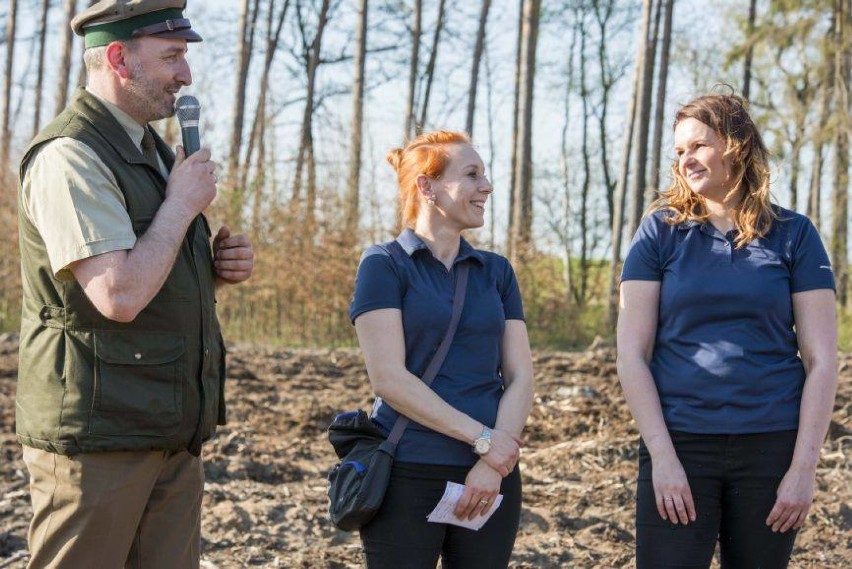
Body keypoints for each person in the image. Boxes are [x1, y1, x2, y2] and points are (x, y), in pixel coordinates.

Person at [15, 1, 254, 567]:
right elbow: (117, 295)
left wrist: (212, 273)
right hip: (99, 443)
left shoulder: (149, 152)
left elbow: (148, 279)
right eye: (172, 57)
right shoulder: (72, 155)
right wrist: (179, 209)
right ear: (119, 58)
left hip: (167, 430)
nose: (186, 75)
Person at [617, 91, 838, 568]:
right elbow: (631, 355)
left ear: (735, 145)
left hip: (770, 447)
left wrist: (803, 469)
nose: (685, 160)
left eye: (697, 146)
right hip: (680, 443)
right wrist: (663, 457)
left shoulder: (795, 234)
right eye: (678, 152)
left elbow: (821, 361)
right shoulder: (659, 233)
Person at [349, 130, 534, 568]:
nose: (486, 186)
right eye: (471, 175)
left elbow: (522, 376)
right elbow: (389, 379)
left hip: (491, 476)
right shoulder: (384, 265)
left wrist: (493, 463)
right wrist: (484, 440)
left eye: (484, 175)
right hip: (409, 471)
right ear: (427, 187)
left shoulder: (497, 272)